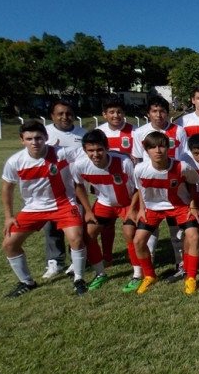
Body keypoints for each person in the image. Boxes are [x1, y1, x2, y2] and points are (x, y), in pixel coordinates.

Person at [1, 120, 88, 297]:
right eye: (30, 138)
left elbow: (90, 152)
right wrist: (9, 216)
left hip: (64, 203)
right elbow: (7, 188)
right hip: (33, 208)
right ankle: (26, 282)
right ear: (22, 140)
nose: (35, 142)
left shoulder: (62, 153)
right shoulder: (15, 162)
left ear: (46, 138)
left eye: (39, 138)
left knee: (76, 239)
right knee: (9, 244)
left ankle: (79, 279)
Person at [132, 131, 199, 295]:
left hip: (178, 206)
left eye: (161, 146)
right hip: (153, 209)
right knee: (138, 240)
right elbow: (140, 189)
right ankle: (149, 276)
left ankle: (191, 277)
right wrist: (142, 209)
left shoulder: (181, 166)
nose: (157, 150)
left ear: (168, 148)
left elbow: (193, 183)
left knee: (194, 236)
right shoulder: (140, 169)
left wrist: (192, 205)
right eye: (152, 147)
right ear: (146, 150)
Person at [72, 129, 139, 292]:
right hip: (104, 203)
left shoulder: (124, 162)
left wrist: (133, 210)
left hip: (127, 202)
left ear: (107, 148)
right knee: (88, 235)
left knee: (130, 234)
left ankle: (138, 274)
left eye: (99, 149)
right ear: (85, 151)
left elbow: (138, 187)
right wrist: (88, 210)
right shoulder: (80, 165)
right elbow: (79, 186)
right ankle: (100, 273)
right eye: (91, 150)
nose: (95, 154)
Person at [132, 95, 187, 281]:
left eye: (162, 111)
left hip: (172, 186)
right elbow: (138, 162)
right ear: (148, 113)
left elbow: (182, 158)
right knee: (150, 231)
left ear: (167, 113)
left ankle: (180, 264)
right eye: (154, 111)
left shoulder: (178, 131)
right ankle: (149, 267)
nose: (158, 115)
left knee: (176, 231)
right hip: (151, 189)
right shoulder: (140, 133)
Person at [41, 100, 87, 279]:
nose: (64, 117)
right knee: (51, 226)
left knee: (76, 225)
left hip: (74, 187)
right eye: (60, 113)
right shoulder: (44, 133)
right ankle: (55, 262)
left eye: (68, 113)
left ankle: (76, 261)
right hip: (49, 189)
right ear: (52, 116)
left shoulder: (82, 134)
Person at [97, 95, 137, 265]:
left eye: (119, 112)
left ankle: (136, 258)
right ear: (104, 114)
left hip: (128, 185)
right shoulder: (99, 133)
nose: (116, 116)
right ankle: (107, 256)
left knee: (131, 225)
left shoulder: (134, 131)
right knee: (106, 224)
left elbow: (138, 158)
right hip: (105, 185)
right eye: (111, 112)